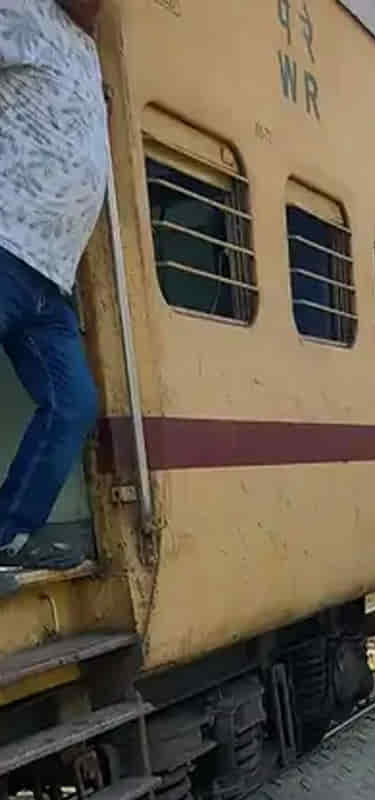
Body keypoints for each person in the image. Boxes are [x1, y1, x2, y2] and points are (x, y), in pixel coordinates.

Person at [0, 0, 109, 571]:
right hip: (4, 245)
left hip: (50, 278)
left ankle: (6, 533)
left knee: (72, 404)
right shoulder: (23, 11)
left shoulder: (88, 48)